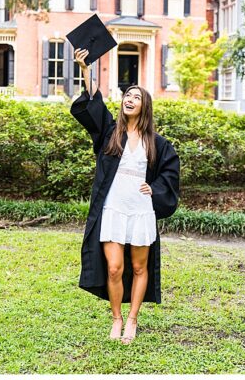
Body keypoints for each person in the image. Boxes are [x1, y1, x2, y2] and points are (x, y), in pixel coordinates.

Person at [70, 47, 180, 344]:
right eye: (127, 96)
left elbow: (170, 175)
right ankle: (117, 318)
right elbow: (94, 105)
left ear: (145, 107)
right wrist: (85, 69)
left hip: (141, 210)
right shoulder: (111, 132)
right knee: (115, 268)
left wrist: (154, 190)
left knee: (139, 266)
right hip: (114, 208)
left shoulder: (157, 143)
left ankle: (133, 319)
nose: (129, 100)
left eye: (137, 97)